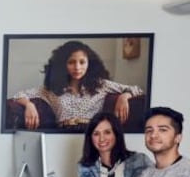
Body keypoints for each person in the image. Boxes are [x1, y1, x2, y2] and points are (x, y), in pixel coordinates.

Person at [13, 40, 145, 131]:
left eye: (82, 62)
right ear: (63, 64)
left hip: (92, 135)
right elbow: (19, 95)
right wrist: (29, 105)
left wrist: (123, 97)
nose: (77, 67)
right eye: (71, 62)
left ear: (89, 64)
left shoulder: (101, 85)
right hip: (60, 136)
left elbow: (137, 89)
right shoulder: (51, 89)